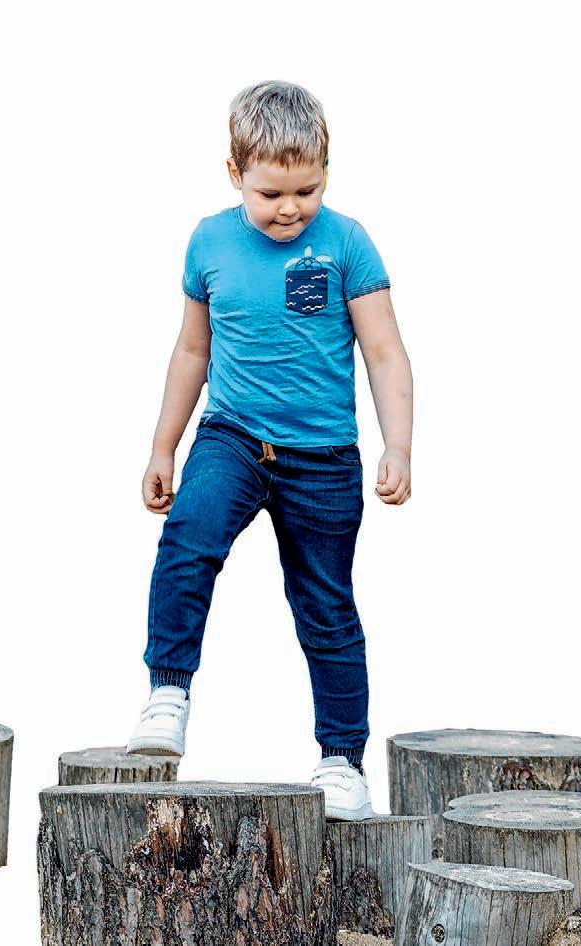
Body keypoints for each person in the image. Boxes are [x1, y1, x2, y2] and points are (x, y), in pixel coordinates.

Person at [126, 80, 413, 821]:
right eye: (271, 193)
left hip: (323, 456)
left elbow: (384, 351)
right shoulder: (209, 242)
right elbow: (192, 351)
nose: (290, 209)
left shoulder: (346, 243)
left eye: (307, 191)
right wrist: (163, 447)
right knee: (189, 537)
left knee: (326, 604)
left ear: (327, 172)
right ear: (235, 174)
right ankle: (167, 691)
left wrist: (399, 446)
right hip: (233, 436)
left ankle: (342, 761)